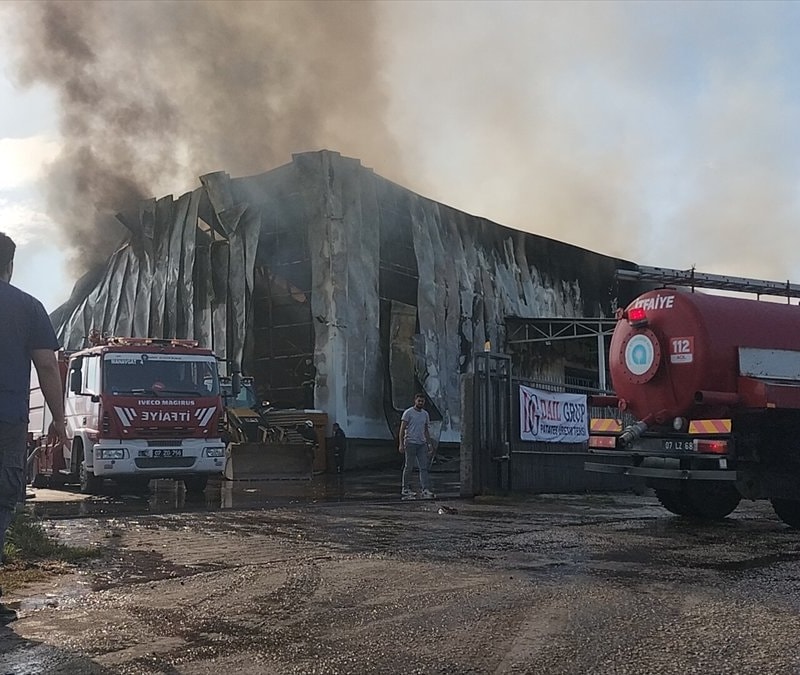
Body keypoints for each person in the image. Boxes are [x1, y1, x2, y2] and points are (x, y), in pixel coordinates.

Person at [0, 232, 66, 625]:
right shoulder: (27, 306)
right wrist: (58, 419)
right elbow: (46, 365)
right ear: (10, 265)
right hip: (6, 419)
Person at [398, 393, 435, 499]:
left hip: (421, 443)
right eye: (419, 401)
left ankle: (425, 489)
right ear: (415, 401)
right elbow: (402, 429)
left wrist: (429, 444)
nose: (420, 403)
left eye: (422, 401)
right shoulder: (408, 413)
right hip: (410, 443)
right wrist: (401, 443)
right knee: (408, 466)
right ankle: (405, 489)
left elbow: (426, 430)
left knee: (423, 467)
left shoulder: (425, 414)